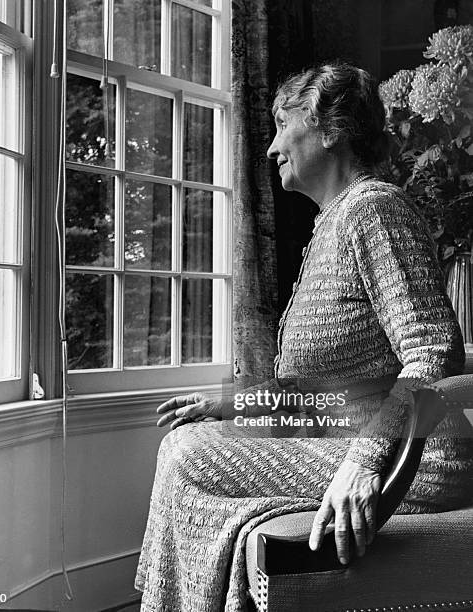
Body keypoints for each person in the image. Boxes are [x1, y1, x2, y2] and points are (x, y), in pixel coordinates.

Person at [135, 62, 473, 612]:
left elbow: (432, 350)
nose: (270, 148)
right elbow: (341, 390)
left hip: (419, 457)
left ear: (331, 130)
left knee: (186, 456)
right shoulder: (333, 222)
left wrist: (365, 459)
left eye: (282, 125)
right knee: (187, 443)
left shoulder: (374, 211)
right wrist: (238, 405)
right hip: (356, 433)